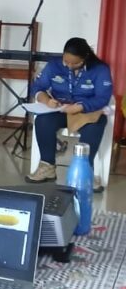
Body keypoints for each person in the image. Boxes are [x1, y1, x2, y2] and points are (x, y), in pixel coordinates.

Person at [27, 38, 114, 187]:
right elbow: (37, 87)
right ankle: (47, 167)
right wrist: (46, 100)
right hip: (60, 108)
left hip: (87, 111)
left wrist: (81, 106)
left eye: (75, 63)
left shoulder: (100, 69)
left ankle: (85, 171)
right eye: (66, 62)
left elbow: (103, 98)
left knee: (95, 126)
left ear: (85, 57)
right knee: (43, 121)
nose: (69, 66)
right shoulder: (54, 65)